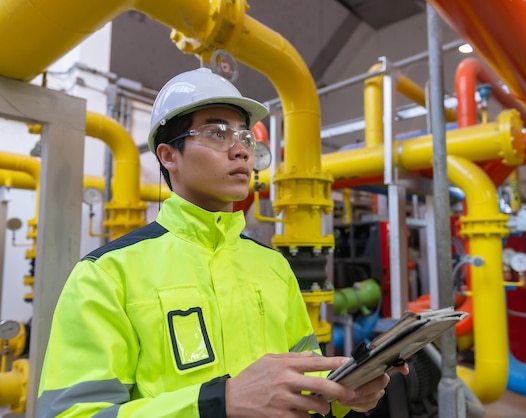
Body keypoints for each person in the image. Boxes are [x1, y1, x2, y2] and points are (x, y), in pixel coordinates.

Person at [37, 67, 408, 417]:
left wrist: (345, 392)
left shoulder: (273, 266)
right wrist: (219, 402)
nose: (242, 149)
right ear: (168, 156)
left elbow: (306, 381)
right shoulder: (107, 274)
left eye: (244, 137)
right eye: (217, 134)